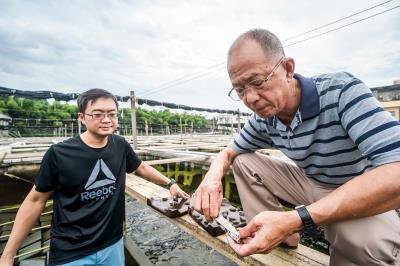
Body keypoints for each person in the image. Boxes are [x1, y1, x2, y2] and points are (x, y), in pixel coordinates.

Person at [193, 28, 400, 266]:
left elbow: (396, 170)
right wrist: (212, 176)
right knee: (244, 162)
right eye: (240, 90)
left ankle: (295, 231)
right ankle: (280, 237)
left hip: (354, 186)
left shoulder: (341, 92)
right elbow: (230, 152)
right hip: (311, 182)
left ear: (288, 70)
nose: (250, 99)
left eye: (257, 82)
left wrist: (297, 218)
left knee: (364, 243)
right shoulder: (264, 118)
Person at [0, 88, 189, 266]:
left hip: (112, 243)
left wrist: (170, 183)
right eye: (98, 114)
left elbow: (140, 167)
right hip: (71, 250)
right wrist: (8, 255)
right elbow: (35, 200)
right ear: (82, 118)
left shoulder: (120, 145)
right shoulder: (59, 153)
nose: (107, 119)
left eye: (112, 114)